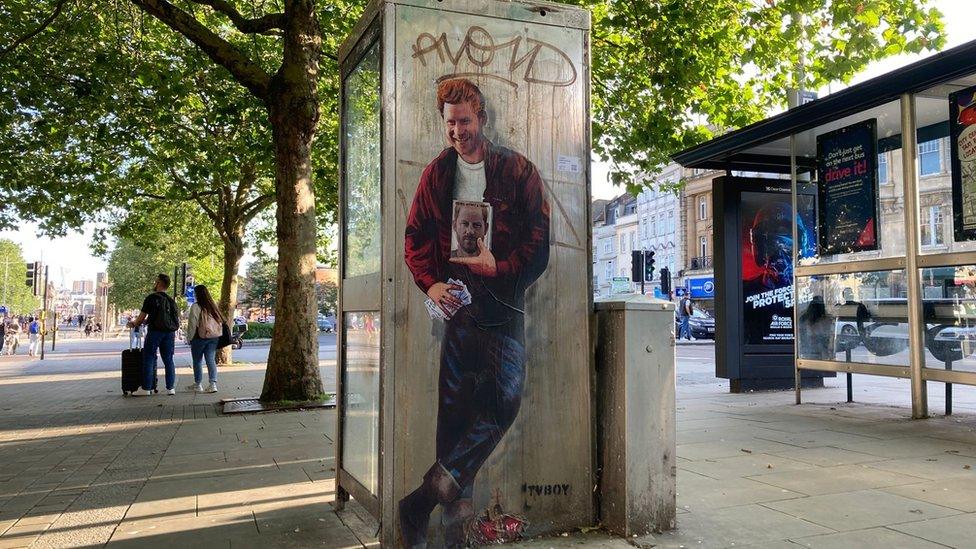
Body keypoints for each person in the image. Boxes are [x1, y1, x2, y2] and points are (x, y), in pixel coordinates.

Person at [401, 78, 550, 547]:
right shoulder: (436, 175)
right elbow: (416, 239)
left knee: (503, 403)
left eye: (465, 121)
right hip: (458, 311)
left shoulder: (518, 171)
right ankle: (453, 533)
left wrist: (499, 265)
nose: (458, 132)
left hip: (504, 308)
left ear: (481, 118)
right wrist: (432, 282)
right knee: (454, 417)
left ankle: (418, 503)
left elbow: (540, 245)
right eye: (450, 123)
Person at [127, 274, 180, 396]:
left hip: (155, 332)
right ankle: (170, 388)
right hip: (169, 333)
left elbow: (141, 318)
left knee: (149, 358)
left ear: (159, 283)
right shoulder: (171, 301)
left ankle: (146, 388)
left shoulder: (151, 298)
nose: (154, 283)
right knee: (168, 359)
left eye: (156, 281)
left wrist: (134, 324)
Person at [185, 285, 222, 393]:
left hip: (199, 337)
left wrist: (190, 338)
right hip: (214, 336)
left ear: (197, 294)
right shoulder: (213, 305)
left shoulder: (196, 306)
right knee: (210, 360)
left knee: (197, 361)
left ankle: (198, 384)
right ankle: (213, 384)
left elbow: (192, 324)